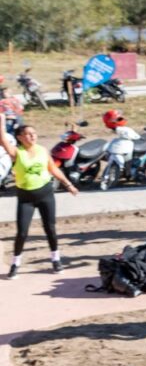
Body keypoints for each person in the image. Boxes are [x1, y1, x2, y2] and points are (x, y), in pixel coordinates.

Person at [1, 116, 79, 278]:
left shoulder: (42, 150)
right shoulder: (17, 153)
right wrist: (1, 120)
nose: (32, 136)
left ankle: (56, 260)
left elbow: (53, 169)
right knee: (22, 232)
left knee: (50, 228)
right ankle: (16, 263)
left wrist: (68, 184)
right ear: (20, 137)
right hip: (25, 199)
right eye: (28, 134)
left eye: (34, 133)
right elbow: (2, 140)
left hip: (45, 194)